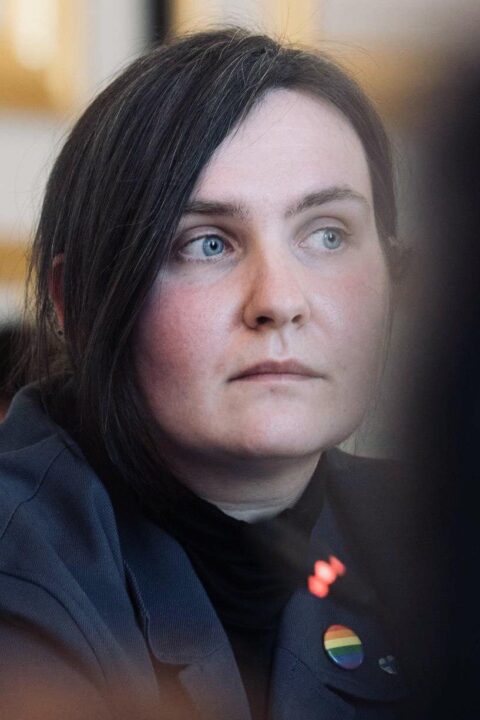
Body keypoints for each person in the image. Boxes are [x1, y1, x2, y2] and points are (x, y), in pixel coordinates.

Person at [0, 28, 422, 720]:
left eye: (328, 234)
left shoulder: (442, 535)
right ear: (76, 303)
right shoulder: (20, 557)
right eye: (207, 244)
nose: (279, 301)